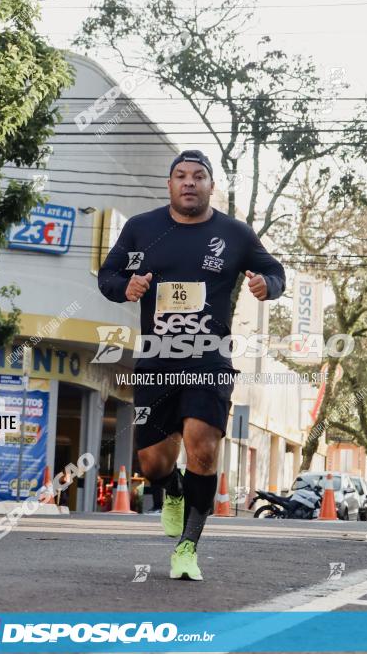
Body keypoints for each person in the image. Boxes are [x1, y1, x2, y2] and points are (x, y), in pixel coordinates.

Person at [98, 150, 285, 581]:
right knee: (153, 463)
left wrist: (265, 284)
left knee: (202, 447)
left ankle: (187, 547)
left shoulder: (234, 234)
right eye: (180, 176)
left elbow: (275, 272)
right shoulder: (142, 229)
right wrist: (127, 286)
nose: (188, 183)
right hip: (157, 360)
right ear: (169, 185)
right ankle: (172, 491)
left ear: (210, 186)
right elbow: (107, 277)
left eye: (198, 176)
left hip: (209, 358)